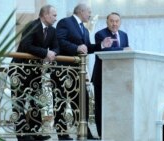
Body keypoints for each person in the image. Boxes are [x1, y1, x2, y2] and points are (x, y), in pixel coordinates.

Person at [55, 3, 112, 140]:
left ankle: (84, 131)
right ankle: (62, 134)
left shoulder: (85, 30)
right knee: (61, 102)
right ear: (81, 11)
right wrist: (76, 48)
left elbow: (86, 48)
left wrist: (102, 45)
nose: (90, 15)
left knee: (83, 101)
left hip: (77, 71)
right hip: (63, 69)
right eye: (89, 12)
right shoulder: (66, 22)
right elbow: (60, 41)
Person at [9, 5, 59, 141]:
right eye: (54, 15)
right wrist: (45, 53)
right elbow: (26, 45)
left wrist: (53, 53)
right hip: (20, 69)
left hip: (36, 71)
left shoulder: (53, 31)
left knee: (36, 103)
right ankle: (22, 136)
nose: (56, 18)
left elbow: (56, 47)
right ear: (45, 15)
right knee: (19, 103)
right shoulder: (31, 25)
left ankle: (34, 132)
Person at [91, 12, 131, 138]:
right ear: (107, 22)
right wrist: (122, 50)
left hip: (119, 78)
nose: (114, 24)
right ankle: (103, 134)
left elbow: (127, 53)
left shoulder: (124, 35)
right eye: (111, 21)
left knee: (118, 105)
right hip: (102, 76)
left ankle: (117, 132)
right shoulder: (100, 34)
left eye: (117, 21)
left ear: (120, 22)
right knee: (101, 106)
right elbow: (102, 50)